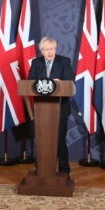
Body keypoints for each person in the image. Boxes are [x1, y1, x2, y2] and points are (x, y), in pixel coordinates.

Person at [27, 36, 75, 174]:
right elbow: (30, 83)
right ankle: (41, 169)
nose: (50, 52)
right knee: (42, 141)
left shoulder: (64, 62)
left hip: (60, 109)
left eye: (52, 49)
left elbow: (71, 84)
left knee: (60, 141)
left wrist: (59, 83)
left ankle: (64, 169)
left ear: (55, 49)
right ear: (42, 51)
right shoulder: (36, 63)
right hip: (41, 110)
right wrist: (44, 82)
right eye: (47, 49)